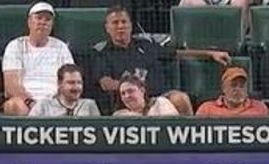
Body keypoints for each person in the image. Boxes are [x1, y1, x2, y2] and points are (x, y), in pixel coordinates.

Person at [94, 5, 226, 116]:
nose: (120, 26)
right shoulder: (103, 53)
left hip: (159, 97)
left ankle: (189, 139)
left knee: (180, 98)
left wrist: (210, 53)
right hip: (131, 102)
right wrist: (132, 88)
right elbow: (105, 83)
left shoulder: (145, 45)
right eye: (115, 23)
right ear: (107, 28)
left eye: (124, 22)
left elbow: (177, 53)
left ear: (131, 25)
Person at [1, 2, 75, 116]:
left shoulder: (61, 47)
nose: (43, 22)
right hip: (25, 102)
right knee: (13, 105)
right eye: (39, 18)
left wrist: (55, 102)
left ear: (52, 25)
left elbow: (70, 79)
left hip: (55, 100)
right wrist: (30, 103)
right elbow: (11, 85)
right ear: (29, 22)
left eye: (48, 20)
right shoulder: (15, 46)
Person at [29, 64, 101, 117]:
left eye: (79, 83)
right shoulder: (44, 106)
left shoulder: (89, 105)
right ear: (59, 84)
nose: (76, 87)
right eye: (71, 83)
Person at [196, 66, 269, 117]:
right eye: (233, 85)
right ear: (223, 88)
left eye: (242, 86)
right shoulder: (206, 109)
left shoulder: (260, 108)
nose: (238, 89)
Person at [112, 73, 178, 116]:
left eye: (130, 91)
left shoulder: (160, 103)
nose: (127, 96)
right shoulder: (119, 115)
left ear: (142, 90)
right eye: (123, 93)